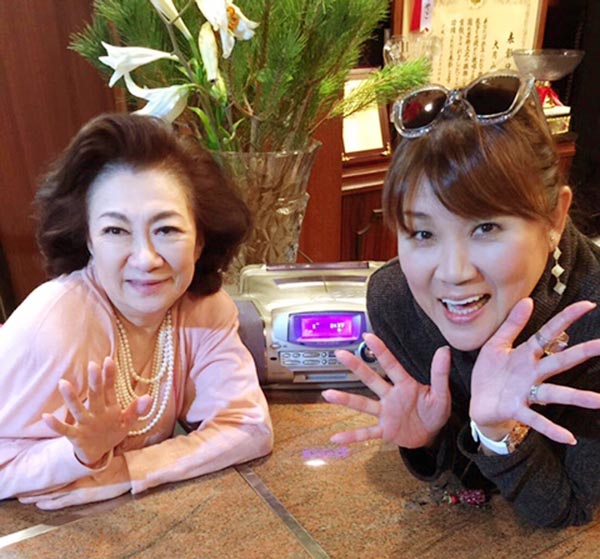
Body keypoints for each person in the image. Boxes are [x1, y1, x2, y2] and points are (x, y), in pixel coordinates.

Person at [323, 71, 600, 528]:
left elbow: (569, 509)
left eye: (485, 227)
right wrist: (428, 439)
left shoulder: (591, 319)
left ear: (554, 217)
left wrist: (499, 433)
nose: (453, 273)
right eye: (422, 233)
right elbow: (469, 477)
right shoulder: (397, 300)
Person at [0, 113, 273, 509]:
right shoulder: (52, 327)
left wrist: (127, 471)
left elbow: (248, 428)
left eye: (167, 230)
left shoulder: (204, 310)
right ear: (88, 240)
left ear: (199, 240)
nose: (146, 259)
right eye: (115, 231)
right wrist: (77, 455)